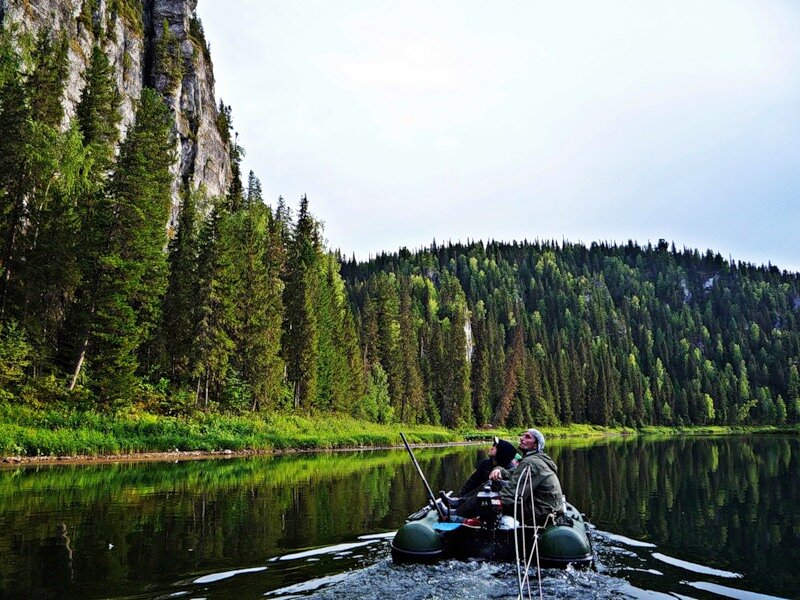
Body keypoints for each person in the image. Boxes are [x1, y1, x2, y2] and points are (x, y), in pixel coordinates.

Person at [455, 428, 563, 525]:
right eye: (523, 436)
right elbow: (513, 473)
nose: (521, 439)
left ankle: (457, 514)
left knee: (489, 497)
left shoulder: (531, 462)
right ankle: (460, 505)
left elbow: (512, 495)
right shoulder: (532, 459)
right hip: (543, 506)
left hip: (541, 510)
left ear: (536, 445)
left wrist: (490, 502)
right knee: (494, 486)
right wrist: (499, 470)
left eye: (527, 437)